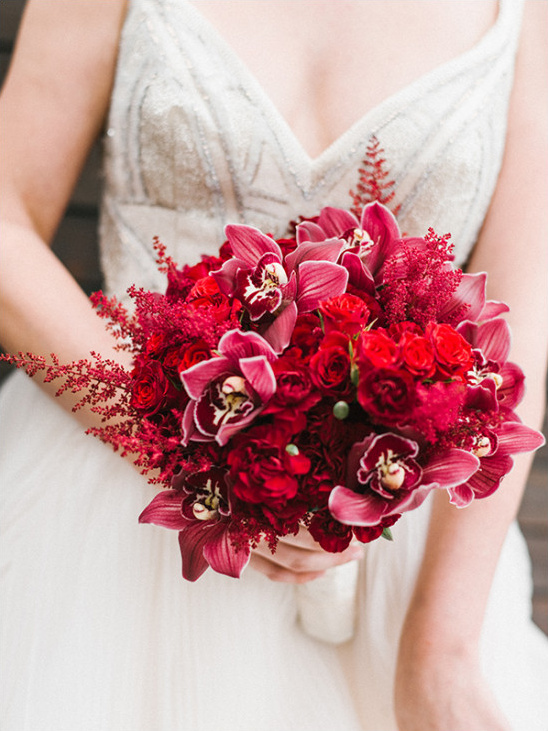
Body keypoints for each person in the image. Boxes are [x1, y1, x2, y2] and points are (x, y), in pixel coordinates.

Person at [0, 1, 547, 729]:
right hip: (106, 509)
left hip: (396, 546)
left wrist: (441, 648)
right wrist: (188, 446)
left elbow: (519, 320)